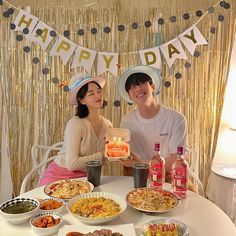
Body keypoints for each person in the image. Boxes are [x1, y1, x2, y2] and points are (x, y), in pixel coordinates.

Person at [39, 73, 112, 186]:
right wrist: (102, 154)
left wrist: (119, 151)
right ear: (82, 101)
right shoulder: (75, 124)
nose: (98, 95)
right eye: (91, 93)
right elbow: (72, 164)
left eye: (99, 91)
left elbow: (105, 158)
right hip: (58, 178)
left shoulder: (108, 125)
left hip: (86, 178)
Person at [117, 65, 187, 180]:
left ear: (153, 86)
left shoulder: (176, 119)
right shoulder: (127, 121)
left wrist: (143, 163)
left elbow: (177, 159)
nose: (138, 89)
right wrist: (113, 146)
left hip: (167, 177)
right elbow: (125, 153)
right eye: (132, 87)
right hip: (137, 175)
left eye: (141, 83)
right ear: (129, 96)